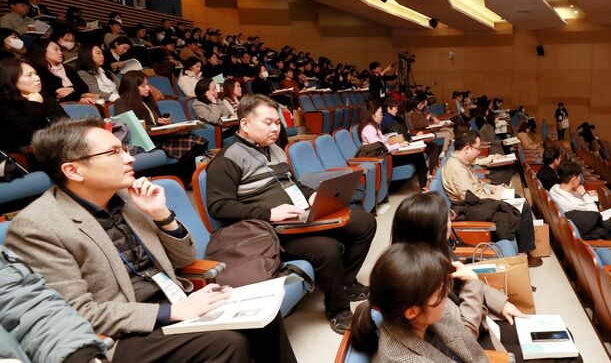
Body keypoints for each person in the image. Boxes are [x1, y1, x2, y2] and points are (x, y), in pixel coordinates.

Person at [5, 117, 297, 363]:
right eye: (114, 153)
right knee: (228, 343)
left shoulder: (128, 198)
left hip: (173, 300)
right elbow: (77, 312)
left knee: (265, 315)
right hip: (120, 332)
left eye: (124, 149)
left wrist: (161, 216)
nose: (129, 158)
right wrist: (172, 312)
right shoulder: (38, 226)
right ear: (73, 170)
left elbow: (186, 261)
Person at [205, 94, 376, 334]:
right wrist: (269, 213)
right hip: (270, 231)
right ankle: (338, 310)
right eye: (268, 122)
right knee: (327, 249)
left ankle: (345, 283)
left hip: (299, 216)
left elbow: (290, 183)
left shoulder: (274, 149)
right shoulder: (226, 160)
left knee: (364, 222)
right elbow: (219, 206)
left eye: (277, 122)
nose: (275, 128)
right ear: (244, 124)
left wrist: (311, 195)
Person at [389, 193, 566, 363]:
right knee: (566, 355)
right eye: (447, 219)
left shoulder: (435, 253)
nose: (451, 221)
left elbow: (463, 278)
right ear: (432, 231)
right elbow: (464, 336)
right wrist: (473, 282)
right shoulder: (422, 285)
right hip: (476, 344)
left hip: (479, 318)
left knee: (561, 337)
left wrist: (500, 303)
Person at [350, 243, 488, 363]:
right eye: (440, 291)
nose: (446, 294)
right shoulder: (401, 359)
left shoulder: (424, 313)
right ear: (412, 312)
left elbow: (468, 347)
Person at [442, 131, 541, 267]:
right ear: (467, 148)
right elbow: (471, 198)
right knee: (522, 206)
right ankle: (523, 255)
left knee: (517, 198)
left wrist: (492, 188)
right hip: (473, 208)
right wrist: (496, 196)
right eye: (478, 149)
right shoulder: (456, 169)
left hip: (480, 201)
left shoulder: (462, 163)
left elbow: (477, 184)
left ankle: (524, 251)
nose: (479, 152)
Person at [0, 244, 109, 362]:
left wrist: (79, 356)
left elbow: (27, 306)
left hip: (61, 345)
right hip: (103, 322)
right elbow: (82, 306)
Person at [113, 71, 208, 184]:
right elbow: (129, 127)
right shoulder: (121, 103)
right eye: (143, 86)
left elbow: (156, 121)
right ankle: (183, 178)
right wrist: (155, 127)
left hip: (160, 136)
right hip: (145, 141)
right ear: (133, 87)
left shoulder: (148, 100)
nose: (148, 88)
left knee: (198, 141)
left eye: (147, 84)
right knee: (194, 142)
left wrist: (164, 122)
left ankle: (183, 177)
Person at [359, 99, 429, 191]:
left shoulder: (375, 127)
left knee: (417, 155)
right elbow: (380, 148)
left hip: (386, 156)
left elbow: (384, 141)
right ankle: (424, 186)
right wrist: (399, 145)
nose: (382, 116)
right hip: (381, 160)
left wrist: (397, 142)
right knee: (417, 156)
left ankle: (425, 184)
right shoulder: (369, 129)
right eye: (380, 113)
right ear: (373, 115)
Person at [0, 58, 67, 152]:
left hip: (60, 147)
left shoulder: (45, 97)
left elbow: (66, 123)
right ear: (11, 80)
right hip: (28, 156)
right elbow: (24, 135)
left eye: (35, 73)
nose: (37, 78)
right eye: (29, 75)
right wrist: (34, 104)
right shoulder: (5, 105)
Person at [28, 39, 94, 104]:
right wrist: (79, 98)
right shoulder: (38, 72)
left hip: (78, 102)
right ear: (42, 51)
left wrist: (71, 89)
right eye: (56, 49)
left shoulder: (68, 69)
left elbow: (84, 87)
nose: (60, 53)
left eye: (60, 50)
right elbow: (56, 95)